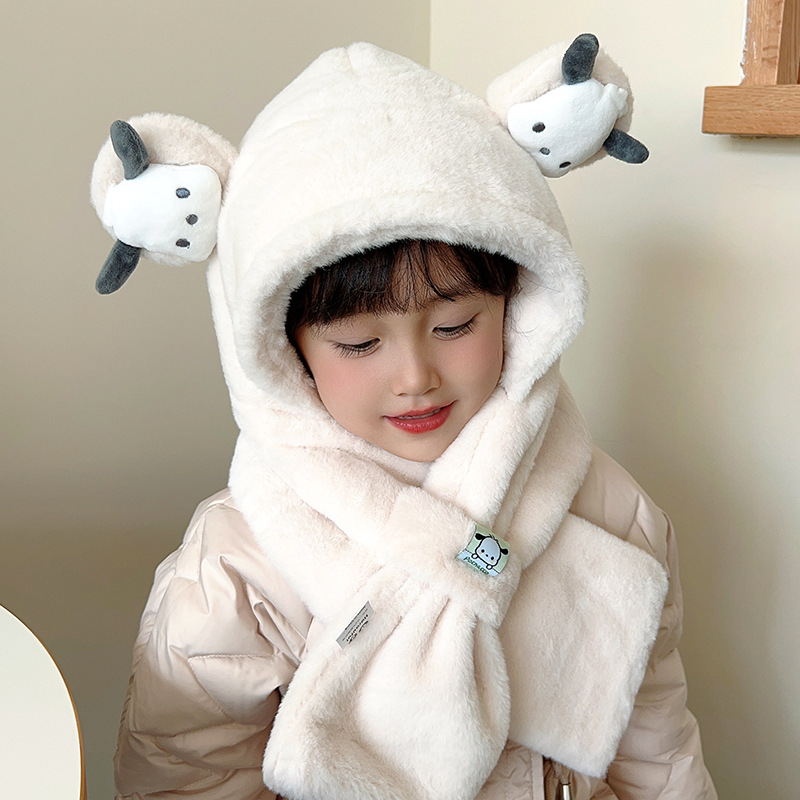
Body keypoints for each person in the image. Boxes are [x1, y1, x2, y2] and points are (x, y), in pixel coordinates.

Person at [94, 41, 716, 800]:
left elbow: (656, 747)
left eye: (455, 326)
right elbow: (189, 777)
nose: (416, 378)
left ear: (520, 309)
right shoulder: (236, 565)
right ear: (284, 351)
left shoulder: (610, 511)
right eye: (360, 344)